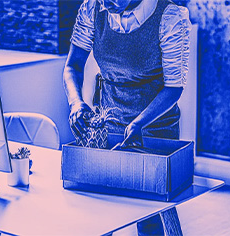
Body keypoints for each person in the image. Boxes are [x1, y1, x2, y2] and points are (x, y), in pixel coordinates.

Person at [63, 0, 191, 234]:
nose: (105, 2)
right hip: (108, 122)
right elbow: (73, 65)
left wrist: (139, 122)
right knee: (100, 209)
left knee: (148, 214)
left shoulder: (170, 17)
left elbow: (174, 88)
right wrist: (76, 102)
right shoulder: (93, 8)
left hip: (154, 126)